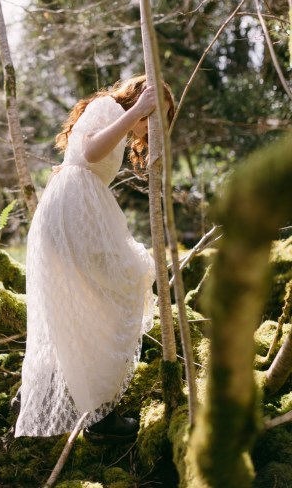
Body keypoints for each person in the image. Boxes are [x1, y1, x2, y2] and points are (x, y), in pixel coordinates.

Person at [14, 74, 175, 443]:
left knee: (86, 304)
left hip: (78, 207)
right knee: (119, 287)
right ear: (138, 97)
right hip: (76, 210)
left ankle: (45, 396)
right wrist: (137, 110)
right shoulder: (108, 107)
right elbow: (88, 153)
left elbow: (82, 158)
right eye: (155, 113)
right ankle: (99, 416)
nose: (154, 123)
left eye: (162, 118)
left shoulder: (119, 121)